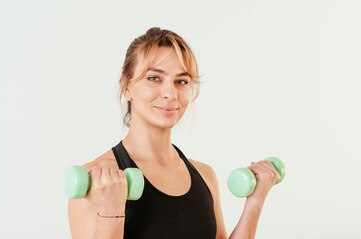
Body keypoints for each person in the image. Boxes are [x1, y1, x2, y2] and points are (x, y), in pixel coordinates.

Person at [68, 27, 280, 239]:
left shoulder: (205, 176)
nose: (170, 93)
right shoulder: (95, 180)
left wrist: (255, 202)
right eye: (154, 78)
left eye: (181, 81)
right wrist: (110, 215)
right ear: (127, 87)